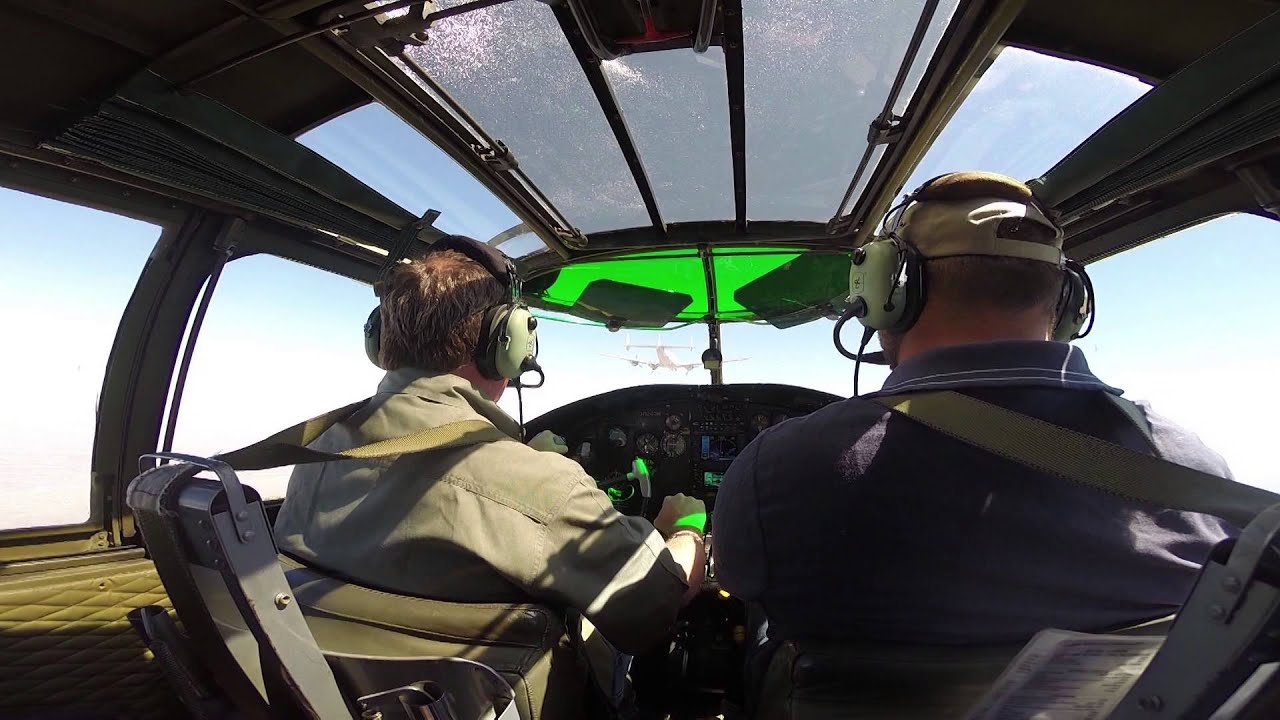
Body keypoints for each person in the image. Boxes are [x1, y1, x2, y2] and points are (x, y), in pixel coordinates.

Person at [712, 171, 1233, 665]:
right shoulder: (1191, 468)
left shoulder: (780, 467)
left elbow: (734, 580)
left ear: (886, 292)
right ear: (1069, 301)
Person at [273, 236, 706, 711]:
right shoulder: (546, 487)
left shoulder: (315, 452)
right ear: (507, 345)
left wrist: (516, 459)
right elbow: (654, 610)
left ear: (379, 341)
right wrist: (685, 530)